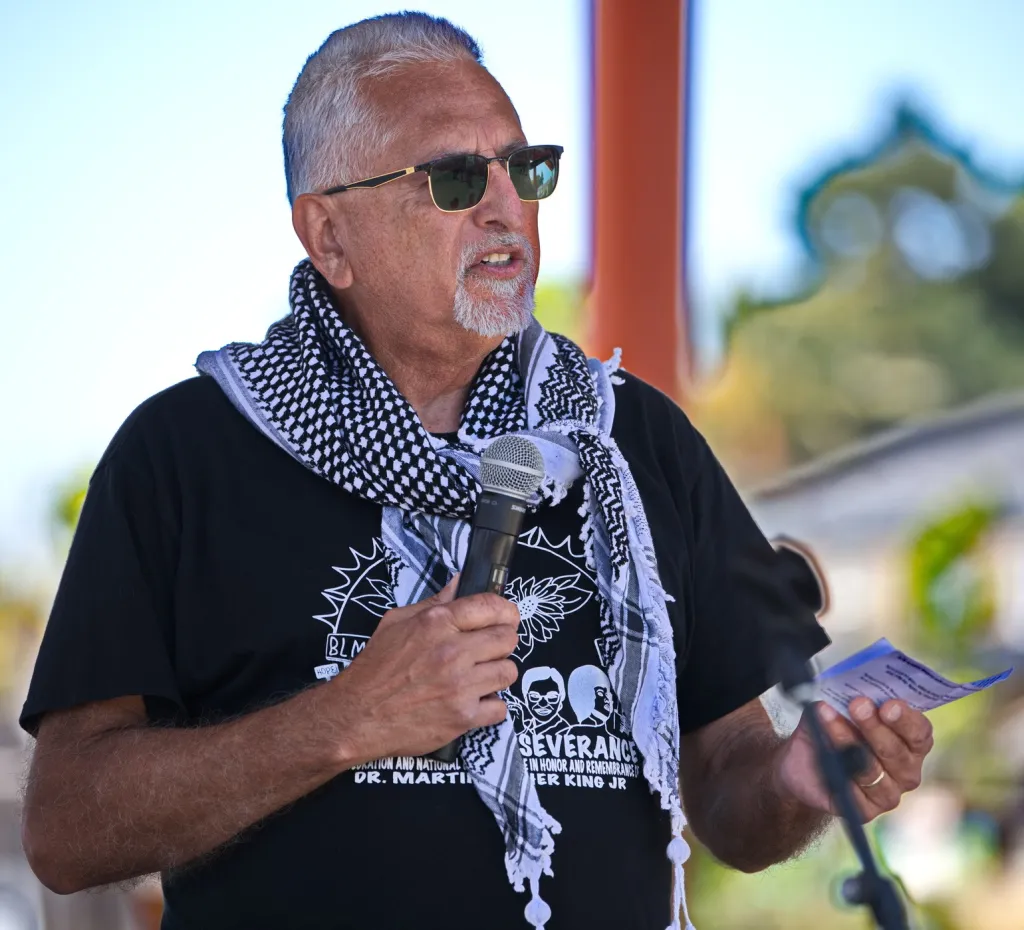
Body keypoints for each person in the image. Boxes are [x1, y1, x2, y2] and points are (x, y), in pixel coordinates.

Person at [19, 12, 935, 930]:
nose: (507, 208)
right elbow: (65, 832)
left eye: (525, 169)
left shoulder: (635, 439)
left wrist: (795, 781)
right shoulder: (187, 454)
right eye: (455, 179)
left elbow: (731, 791)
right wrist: (343, 720)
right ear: (328, 235)